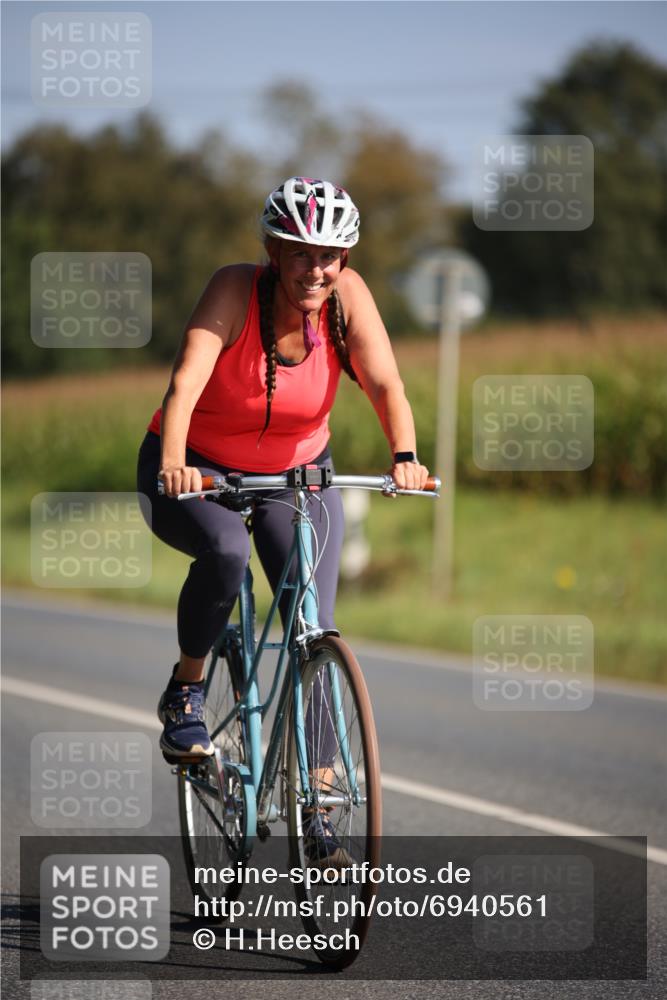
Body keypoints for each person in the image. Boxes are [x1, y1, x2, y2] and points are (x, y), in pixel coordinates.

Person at [137, 176, 429, 854]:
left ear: (346, 259)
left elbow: (385, 382)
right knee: (226, 553)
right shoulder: (233, 290)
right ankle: (185, 694)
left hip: (294, 475)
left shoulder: (345, 301)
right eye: (299, 252)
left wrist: (405, 454)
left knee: (312, 625)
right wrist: (176, 461)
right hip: (195, 468)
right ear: (272, 250)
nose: (315, 268)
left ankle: (319, 803)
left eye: (329, 255)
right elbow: (185, 378)